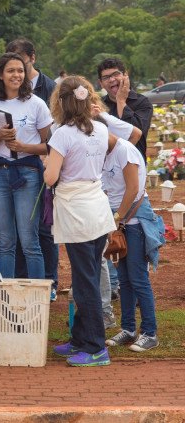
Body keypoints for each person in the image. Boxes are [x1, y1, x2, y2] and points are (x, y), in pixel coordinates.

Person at [44, 77, 114, 367]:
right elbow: (111, 146)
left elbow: (50, 177)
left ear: (61, 103)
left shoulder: (62, 134)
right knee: (86, 278)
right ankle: (80, 339)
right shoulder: (100, 128)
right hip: (97, 208)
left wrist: (49, 167)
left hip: (76, 210)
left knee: (85, 282)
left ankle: (97, 347)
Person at [0, 53, 52, 281]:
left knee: (29, 240)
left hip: (27, 174)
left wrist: (22, 146)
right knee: (6, 240)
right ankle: (6, 301)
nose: (16, 75)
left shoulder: (36, 104)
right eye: (11, 71)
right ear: (0, 74)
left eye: (20, 70)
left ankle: (36, 301)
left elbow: (50, 146)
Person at [102, 136, 163, 353]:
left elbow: (134, 189)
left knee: (138, 279)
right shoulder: (104, 152)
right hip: (118, 223)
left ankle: (150, 333)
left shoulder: (124, 150)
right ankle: (128, 329)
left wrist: (117, 218)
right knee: (125, 281)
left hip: (134, 222)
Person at [97, 57, 152, 162]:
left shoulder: (142, 102)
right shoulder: (99, 106)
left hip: (134, 164)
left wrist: (121, 101)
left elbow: (136, 133)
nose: (112, 79)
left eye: (115, 74)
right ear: (101, 83)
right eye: (106, 77)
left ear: (125, 75)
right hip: (105, 166)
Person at [7, 38, 57, 104]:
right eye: (11, 69)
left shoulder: (51, 88)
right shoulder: (5, 85)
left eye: (22, 66)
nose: (16, 74)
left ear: (32, 58)